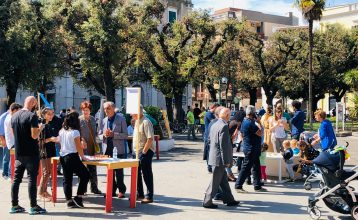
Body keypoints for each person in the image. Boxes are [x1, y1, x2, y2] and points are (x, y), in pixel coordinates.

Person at [10, 96, 47, 214]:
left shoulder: (14, 116)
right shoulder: (32, 116)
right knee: (32, 179)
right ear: (33, 104)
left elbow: (13, 133)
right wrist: (40, 128)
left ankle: (14, 205)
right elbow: (34, 136)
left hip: (19, 153)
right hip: (31, 153)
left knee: (16, 179)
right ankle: (33, 206)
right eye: (35, 104)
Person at [203, 108, 240, 209]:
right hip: (219, 159)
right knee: (215, 182)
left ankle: (229, 199)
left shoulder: (215, 124)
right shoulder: (223, 126)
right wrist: (226, 161)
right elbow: (223, 146)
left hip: (214, 157)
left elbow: (211, 141)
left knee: (223, 181)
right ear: (227, 116)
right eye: (229, 115)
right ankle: (207, 201)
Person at [58, 111, 90, 208]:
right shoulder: (75, 132)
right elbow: (78, 147)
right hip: (72, 156)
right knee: (85, 175)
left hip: (63, 156)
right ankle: (78, 197)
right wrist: (83, 157)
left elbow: (62, 144)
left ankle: (69, 201)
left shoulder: (62, 131)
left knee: (67, 179)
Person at [99, 101, 128, 198]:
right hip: (107, 149)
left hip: (118, 149)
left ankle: (121, 190)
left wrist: (113, 134)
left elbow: (125, 135)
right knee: (109, 172)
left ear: (113, 108)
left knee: (119, 172)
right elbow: (99, 134)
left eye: (108, 108)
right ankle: (111, 190)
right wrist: (103, 135)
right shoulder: (104, 120)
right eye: (104, 109)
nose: (106, 110)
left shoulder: (121, 119)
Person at [235, 105, 267, 193]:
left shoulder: (245, 121)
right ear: (253, 114)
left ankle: (257, 185)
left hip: (252, 147)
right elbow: (260, 133)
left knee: (256, 167)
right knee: (246, 167)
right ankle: (238, 185)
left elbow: (242, 134)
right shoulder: (249, 123)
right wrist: (259, 122)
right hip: (251, 148)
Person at [132, 105, 155, 204]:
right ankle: (140, 194)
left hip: (145, 152)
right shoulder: (137, 122)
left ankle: (149, 196)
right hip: (137, 152)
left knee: (146, 174)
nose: (132, 114)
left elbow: (150, 139)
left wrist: (144, 152)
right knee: (137, 174)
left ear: (139, 111)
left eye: (133, 112)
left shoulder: (146, 122)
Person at [79, 101, 102, 195]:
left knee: (93, 168)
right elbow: (76, 133)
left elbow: (96, 134)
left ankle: (94, 187)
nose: (85, 112)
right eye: (84, 110)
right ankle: (82, 189)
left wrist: (98, 147)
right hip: (82, 148)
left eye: (87, 110)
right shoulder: (79, 120)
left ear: (90, 111)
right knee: (82, 170)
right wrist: (80, 140)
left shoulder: (92, 119)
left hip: (92, 146)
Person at [38, 108, 57, 201]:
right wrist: (51, 139)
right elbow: (41, 140)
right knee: (46, 172)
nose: (51, 115)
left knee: (48, 172)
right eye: (49, 114)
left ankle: (44, 191)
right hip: (44, 151)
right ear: (44, 115)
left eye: (52, 113)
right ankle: (40, 192)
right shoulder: (42, 126)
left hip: (50, 151)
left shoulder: (48, 125)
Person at [3, 103, 22, 180]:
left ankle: (6, 174)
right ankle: (11, 175)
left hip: (9, 141)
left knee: (7, 158)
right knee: (12, 159)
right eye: (18, 111)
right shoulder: (11, 118)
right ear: (14, 110)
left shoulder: (8, 116)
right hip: (12, 141)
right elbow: (13, 130)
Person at [203, 103, 220, 172]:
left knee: (210, 151)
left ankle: (210, 166)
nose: (218, 110)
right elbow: (215, 122)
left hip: (210, 135)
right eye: (217, 108)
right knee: (209, 151)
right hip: (208, 136)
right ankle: (209, 167)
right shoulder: (209, 114)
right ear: (214, 107)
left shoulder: (211, 114)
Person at [0, 109, 9, 178]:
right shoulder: (3, 116)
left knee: (10, 156)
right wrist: (3, 140)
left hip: (10, 138)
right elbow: (1, 130)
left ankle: (9, 172)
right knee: (6, 156)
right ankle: (5, 173)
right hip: (5, 138)